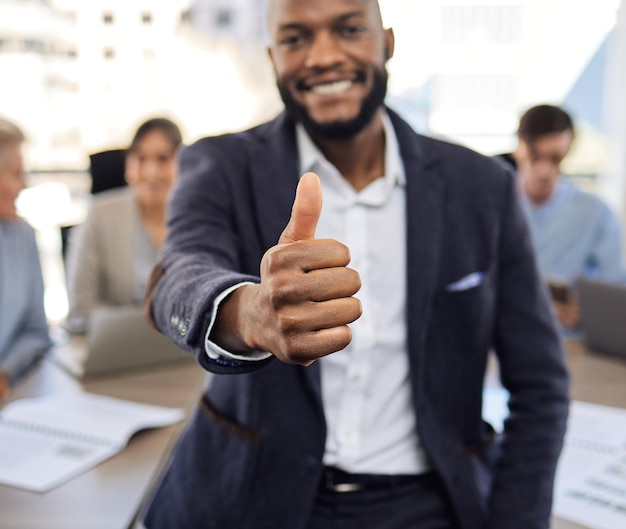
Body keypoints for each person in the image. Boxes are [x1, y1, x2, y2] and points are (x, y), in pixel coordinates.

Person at [142, 1, 569, 528]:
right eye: (296, 39)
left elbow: (541, 385)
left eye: (348, 29)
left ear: (386, 43)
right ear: (274, 58)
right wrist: (247, 313)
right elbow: (177, 275)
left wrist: (515, 520)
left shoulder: (483, 189)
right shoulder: (221, 165)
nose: (323, 56)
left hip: (428, 499)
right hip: (251, 493)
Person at [497, 104, 626, 329]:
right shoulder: (493, 207)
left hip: (571, 343)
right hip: (504, 337)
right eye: (536, 156)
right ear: (519, 149)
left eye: (555, 158)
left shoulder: (596, 213)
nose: (545, 171)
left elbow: (614, 293)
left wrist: (588, 312)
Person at [66, 117, 182, 333]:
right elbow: (81, 309)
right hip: (117, 352)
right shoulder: (99, 216)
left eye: (163, 158)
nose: (150, 171)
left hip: (184, 354)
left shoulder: (196, 218)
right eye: (140, 158)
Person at [0, 117, 51, 401]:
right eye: (16, 173)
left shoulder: (24, 237)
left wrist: (5, 372)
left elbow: (36, 331)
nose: (24, 184)